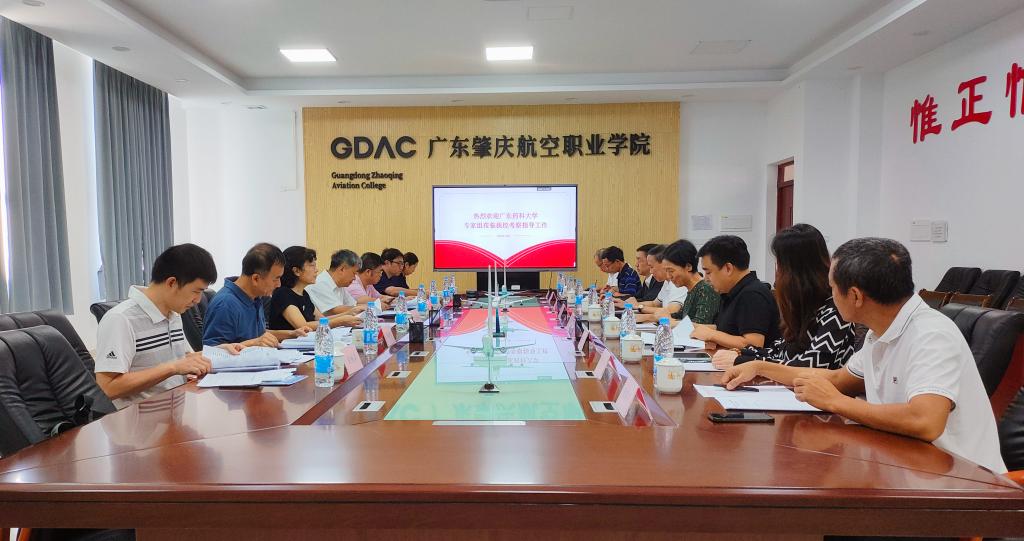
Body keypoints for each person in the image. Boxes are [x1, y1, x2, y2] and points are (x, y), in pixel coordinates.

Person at [721, 237, 1006, 474]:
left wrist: (836, 402)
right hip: (908, 467)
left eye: (833, 288)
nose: (831, 295)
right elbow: (838, 379)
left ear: (855, 296)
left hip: (962, 483)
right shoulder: (879, 332)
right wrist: (760, 367)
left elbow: (925, 421)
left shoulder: (931, 334)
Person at [95, 244, 242, 409]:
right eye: (196, 291)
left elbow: (182, 360)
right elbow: (107, 388)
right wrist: (171, 368)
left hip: (173, 414)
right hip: (140, 422)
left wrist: (217, 352)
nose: (198, 300)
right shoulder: (120, 319)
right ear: (172, 283)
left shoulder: (174, 314)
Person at [712, 224, 855, 370]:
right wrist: (743, 353)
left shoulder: (836, 308)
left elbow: (813, 365)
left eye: (780, 264)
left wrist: (744, 361)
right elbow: (781, 351)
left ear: (796, 270)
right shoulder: (804, 302)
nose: (777, 272)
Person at [203, 243, 310, 347]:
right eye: (276, 279)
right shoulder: (225, 304)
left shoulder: (255, 297)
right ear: (255, 278)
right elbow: (212, 351)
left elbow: (259, 334)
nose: (279, 284)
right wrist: (253, 343)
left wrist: (292, 334)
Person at [690, 235, 780, 350]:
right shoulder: (732, 292)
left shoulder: (752, 295)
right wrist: (695, 328)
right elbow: (727, 330)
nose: (706, 279)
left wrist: (712, 334)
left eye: (708, 272)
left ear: (728, 268)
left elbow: (754, 344)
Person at [268, 246, 357, 330]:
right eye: (312, 266)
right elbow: (303, 326)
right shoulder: (283, 294)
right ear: (297, 271)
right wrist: (340, 321)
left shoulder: (304, 294)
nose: (316, 270)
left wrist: (348, 313)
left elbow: (322, 319)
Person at [660, 239, 720, 325]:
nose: (668, 276)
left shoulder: (705, 289)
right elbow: (682, 316)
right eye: (666, 271)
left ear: (688, 267)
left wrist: (669, 320)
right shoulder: (692, 289)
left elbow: (700, 324)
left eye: (671, 271)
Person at [305, 249, 364, 323]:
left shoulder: (340, 284)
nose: (355, 278)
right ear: (342, 269)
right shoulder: (320, 283)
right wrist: (368, 308)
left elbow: (352, 305)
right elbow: (336, 310)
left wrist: (365, 307)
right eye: (354, 273)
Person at [633, 244, 688, 323]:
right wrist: (634, 305)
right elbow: (655, 304)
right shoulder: (666, 282)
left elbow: (671, 311)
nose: (651, 271)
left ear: (664, 264)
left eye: (652, 267)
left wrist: (641, 309)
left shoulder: (678, 282)